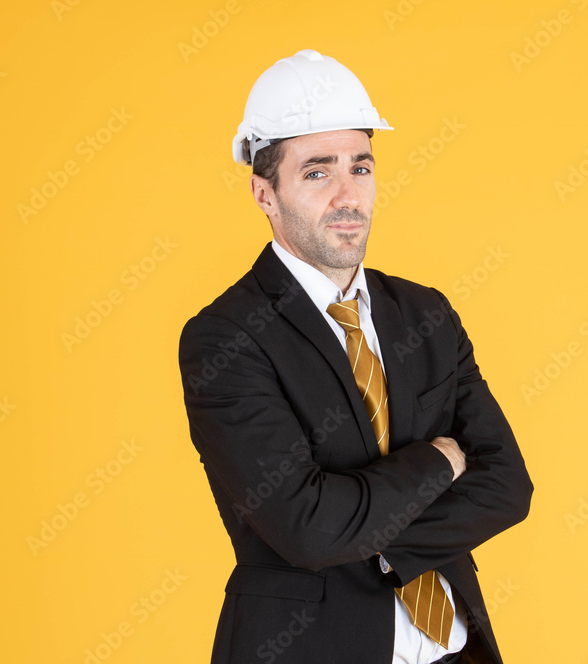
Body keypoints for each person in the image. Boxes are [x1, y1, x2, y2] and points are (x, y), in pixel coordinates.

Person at [179, 49, 533, 664]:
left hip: (454, 650)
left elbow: (506, 485)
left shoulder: (425, 314)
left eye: (360, 167)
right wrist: (440, 461)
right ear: (265, 192)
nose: (348, 195)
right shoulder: (227, 337)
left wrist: (373, 541)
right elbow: (307, 528)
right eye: (318, 172)